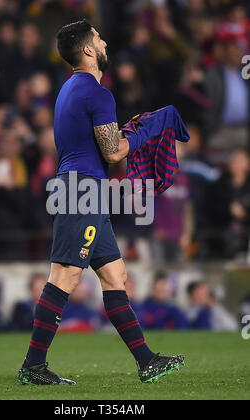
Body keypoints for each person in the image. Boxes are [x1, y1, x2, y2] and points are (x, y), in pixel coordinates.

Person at [18, 20, 184, 386]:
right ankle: (33, 366)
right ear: (89, 51)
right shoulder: (98, 92)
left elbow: (97, 143)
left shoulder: (68, 90)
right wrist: (145, 133)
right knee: (65, 275)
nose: (104, 41)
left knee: (115, 276)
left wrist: (127, 133)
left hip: (81, 189)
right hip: (81, 191)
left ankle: (146, 361)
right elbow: (112, 152)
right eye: (98, 38)